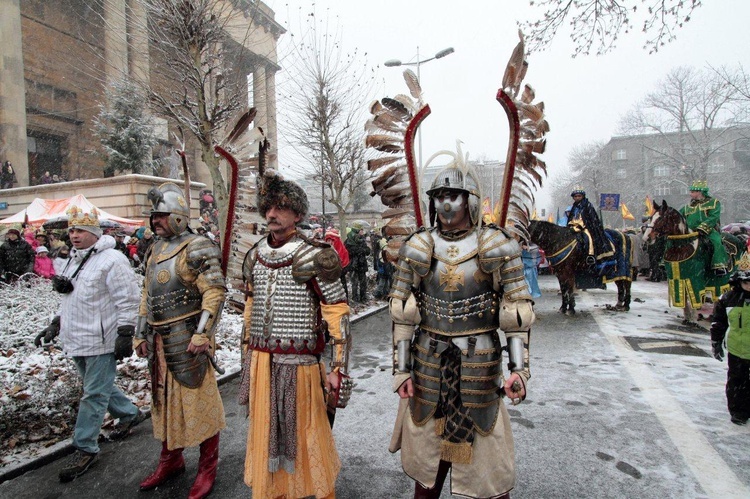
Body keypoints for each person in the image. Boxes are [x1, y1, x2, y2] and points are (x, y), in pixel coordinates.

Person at [388, 158, 534, 499]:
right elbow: (402, 314)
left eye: (452, 195)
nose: (444, 204)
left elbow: (516, 315)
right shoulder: (418, 246)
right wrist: (401, 371)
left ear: (469, 199)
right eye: (438, 196)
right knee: (428, 465)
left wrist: (519, 371)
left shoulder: (497, 245)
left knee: (488, 466)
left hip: (480, 366)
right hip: (428, 365)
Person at [240, 171, 351, 499]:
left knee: (307, 436)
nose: (271, 214)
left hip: (300, 365)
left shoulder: (315, 254)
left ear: (298, 214)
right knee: (264, 435)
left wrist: (338, 368)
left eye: (280, 208)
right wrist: (246, 358)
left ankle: (315, 492)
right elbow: (250, 310)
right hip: (261, 365)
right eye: (268, 208)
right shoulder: (255, 255)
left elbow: (337, 313)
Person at [33, 206, 144, 483]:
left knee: (93, 394)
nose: (74, 235)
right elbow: (73, 297)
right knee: (97, 388)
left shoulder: (113, 260)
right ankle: (129, 413)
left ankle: (84, 447)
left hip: (100, 339)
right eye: (71, 230)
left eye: (80, 230)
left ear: (95, 232)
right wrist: (56, 323)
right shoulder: (73, 258)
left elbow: (128, 298)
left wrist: (126, 333)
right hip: (76, 336)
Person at [134, 182, 227, 498]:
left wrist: (203, 334)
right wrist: (139, 332)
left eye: (160, 215)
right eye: (153, 216)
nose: (155, 221)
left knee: (199, 405)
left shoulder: (197, 246)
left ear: (177, 216)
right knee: (165, 405)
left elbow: (214, 292)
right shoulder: (155, 249)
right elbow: (147, 293)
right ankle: (170, 460)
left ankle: (207, 467)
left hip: (189, 341)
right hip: (160, 343)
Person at [710, 252, 750, 425]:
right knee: (736, 380)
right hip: (736, 348)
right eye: (746, 282)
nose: (749, 286)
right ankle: (738, 411)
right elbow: (718, 322)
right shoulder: (728, 299)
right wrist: (716, 342)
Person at [680, 180, 728, 275]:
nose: (690, 194)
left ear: (700, 192)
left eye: (692, 192)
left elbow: (713, 217)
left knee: (716, 242)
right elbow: (679, 217)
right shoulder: (687, 207)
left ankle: (719, 265)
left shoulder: (714, 203)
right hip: (690, 232)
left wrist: (702, 228)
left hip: (708, 231)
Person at [567, 187, 615, 273]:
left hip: (585, 228)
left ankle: (590, 256)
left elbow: (591, 219)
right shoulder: (573, 207)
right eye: (575, 196)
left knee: (587, 238)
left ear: (582, 196)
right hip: (573, 227)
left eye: (579, 196)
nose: (577, 198)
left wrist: (582, 226)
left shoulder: (587, 205)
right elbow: (571, 218)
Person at [345, 225, 370, 303]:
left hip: (362, 264)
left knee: (363, 283)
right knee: (354, 283)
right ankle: (355, 298)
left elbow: (368, 251)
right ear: (356, 231)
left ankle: (363, 298)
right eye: (361, 230)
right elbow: (349, 251)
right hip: (353, 265)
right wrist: (360, 250)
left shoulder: (362, 240)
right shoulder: (348, 241)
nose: (362, 232)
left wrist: (363, 249)